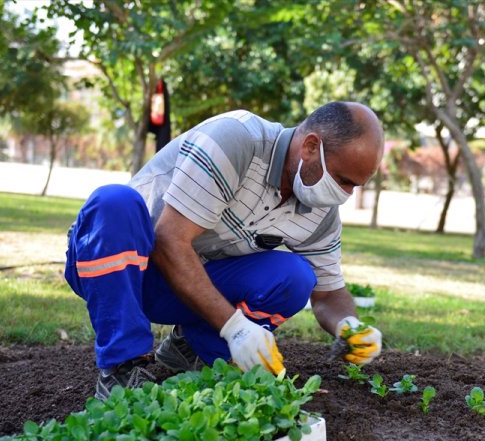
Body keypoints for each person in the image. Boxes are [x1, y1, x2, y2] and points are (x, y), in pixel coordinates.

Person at [65, 101, 385, 399]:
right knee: (114, 202)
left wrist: (349, 326)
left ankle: (191, 347)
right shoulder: (237, 139)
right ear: (311, 146)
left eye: (355, 186)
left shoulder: (320, 208)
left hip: (180, 287)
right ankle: (121, 368)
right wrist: (234, 327)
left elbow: (329, 294)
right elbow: (168, 241)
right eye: (344, 180)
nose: (345, 195)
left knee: (295, 277)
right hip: (118, 272)